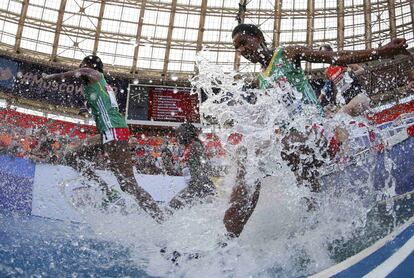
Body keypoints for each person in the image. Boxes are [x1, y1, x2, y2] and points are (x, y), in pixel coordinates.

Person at [223, 23, 410, 237]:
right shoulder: (260, 81)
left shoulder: (286, 54)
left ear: (258, 37)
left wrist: (383, 51)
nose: (241, 51)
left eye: (244, 43)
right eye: (237, 48)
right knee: (247, 158)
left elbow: (337, 59)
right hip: (295, 146)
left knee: (285, 145)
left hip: (319, 134)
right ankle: (229, 235)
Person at [43, 55, 164, 222]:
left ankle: (161, 218)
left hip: (114, 131)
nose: (81, 67)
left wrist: (50, 77)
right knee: (72, 156)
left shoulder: (95, 75)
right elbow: (102, 105)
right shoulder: (98, 85)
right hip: (107, 133)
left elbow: (82, 72)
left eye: (83, 64)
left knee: (128, 184)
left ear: (92, 66)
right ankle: (107, 190)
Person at [168, 123, 216, 210]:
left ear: (187, 134)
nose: (178, 137)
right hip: (196, 186)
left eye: (180, 134)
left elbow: (205, 165)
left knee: (172, 207)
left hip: (201, 186)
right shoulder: (188, 147)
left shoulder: (195, 145)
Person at [319, 44, 371, 116]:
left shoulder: (342, 61)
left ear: (331, 51)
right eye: (322, 55)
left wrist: (351, 74)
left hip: (358, 96)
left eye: (325, 53)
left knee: (340, 115)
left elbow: (361, 70)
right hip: (347, 101)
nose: (324, 56)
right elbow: (336, 90)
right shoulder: (328, 72)